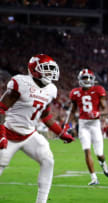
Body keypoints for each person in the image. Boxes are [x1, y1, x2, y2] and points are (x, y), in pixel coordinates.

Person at [0, 54, 75, 203]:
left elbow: (45, 115)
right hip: (8, 132)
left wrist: (60, 133)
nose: (50, 73)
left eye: (51, 70)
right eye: (46, 70)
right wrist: (1, 134)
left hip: (29, 135)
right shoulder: (21, 83)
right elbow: (1, 108)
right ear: (34, 70)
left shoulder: (51, 89)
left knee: (48, 160)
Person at [67, 68, 108, 185]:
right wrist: (69, 126)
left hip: (95, 124)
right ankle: (94, 178)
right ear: (80, 80)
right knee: (86, 151)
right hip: (83, 124)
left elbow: (106, 109)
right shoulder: (75, 93)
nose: (86, 80)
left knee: (99, 154)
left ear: (93, 79)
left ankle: (103, 164)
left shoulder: (98, 90)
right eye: (84, 78)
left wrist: (99, 113)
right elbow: (72, 112)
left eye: (88, 78)